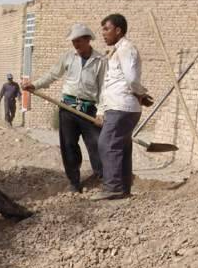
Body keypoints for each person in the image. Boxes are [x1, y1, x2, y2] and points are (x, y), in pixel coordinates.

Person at [22, 23, 106, 193]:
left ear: (88, 40)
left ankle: (101, 177)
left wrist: (101, 112)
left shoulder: (100, 61)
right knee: (68, 145)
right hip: (67, 108)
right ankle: (74, 182)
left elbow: (104, 88)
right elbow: (53, 74)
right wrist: (35, 85)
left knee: (96, 143)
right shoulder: (68, 57)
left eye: (79, 41)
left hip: (88, 109)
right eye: (74, 42)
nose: (76, 45)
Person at [91, 14, 151, 201]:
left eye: (107, 29)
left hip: (122, 107)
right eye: (102, 30)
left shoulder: (127, 49)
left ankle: (113, 187)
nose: (103, 34)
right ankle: (123, 188)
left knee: (107, 144)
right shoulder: (116, 51)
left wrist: (141, 93)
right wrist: (102, 110)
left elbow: (132, 79)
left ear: (119, 30)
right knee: (121, 146)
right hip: (118, 107)